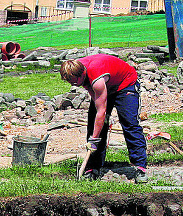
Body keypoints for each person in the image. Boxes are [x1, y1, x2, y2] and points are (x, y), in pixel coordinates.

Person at [60, 55, 148, 183]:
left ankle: (140, 167)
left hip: (125, 84)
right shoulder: (75, 68)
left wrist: (94, 139)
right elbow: (98, 114)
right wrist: (94, 135)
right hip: (107, 84)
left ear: (82, 74)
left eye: (74, 82)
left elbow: (102, 112)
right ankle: (93, 167)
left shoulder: (96, 79)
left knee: (129, 123)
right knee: (94, 126)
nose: (73, 85)